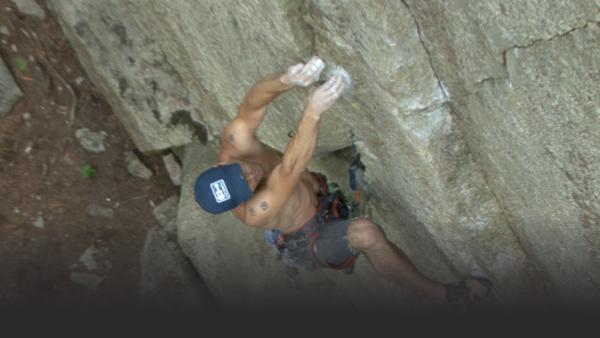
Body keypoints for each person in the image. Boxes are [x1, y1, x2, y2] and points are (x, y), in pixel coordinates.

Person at [194, 56, 492, 304]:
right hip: (306, 236)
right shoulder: (256, 212)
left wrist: (286, 80)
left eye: (240, 171)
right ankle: (445, 296)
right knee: (366, 234)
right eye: (246, 185)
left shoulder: (235, 144)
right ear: (242, 201)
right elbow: (290, 168)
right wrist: (313, 112)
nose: (251, 173)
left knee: (355, 209)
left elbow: (252, 104)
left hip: (317, 193)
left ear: (224, 166)